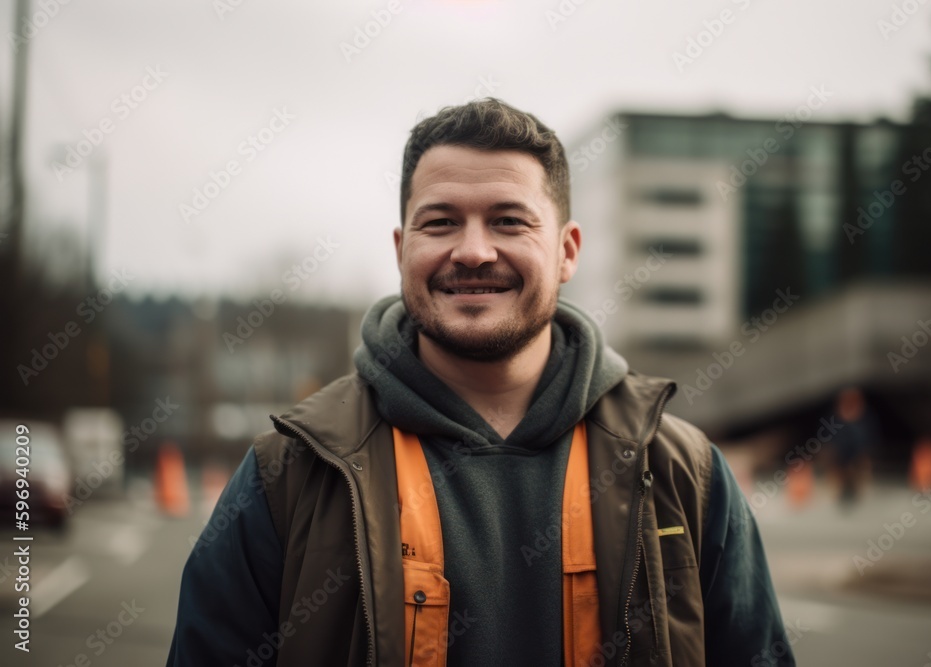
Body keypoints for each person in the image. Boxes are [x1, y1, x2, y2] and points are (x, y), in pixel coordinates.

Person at [166, 98, 794, 666]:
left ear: (568, 251)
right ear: (401, 248)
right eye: (439, 222)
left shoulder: (686, 472)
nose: (472, 251)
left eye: (508, 221)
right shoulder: (292, 472)